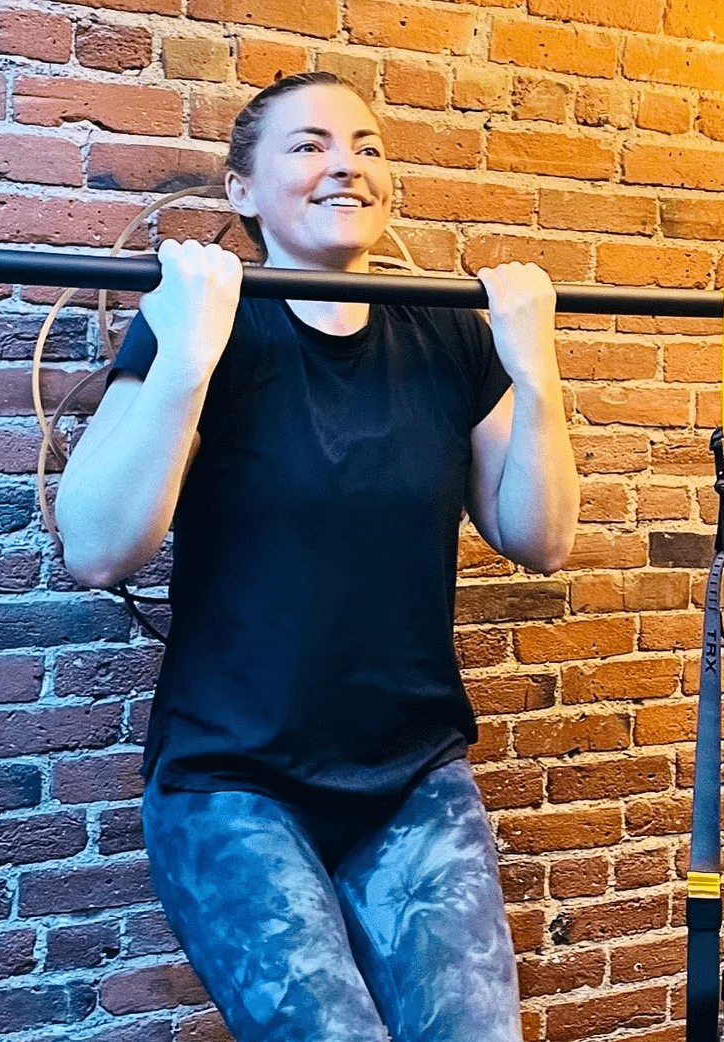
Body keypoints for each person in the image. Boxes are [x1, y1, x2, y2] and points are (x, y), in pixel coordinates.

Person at [55, 70, 580, 1042]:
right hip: (232, 785)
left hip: (411, 774)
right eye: (309, 144)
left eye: (368, 145)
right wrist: (185, 356)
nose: (347, 162)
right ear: (243, 191)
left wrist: (535, 372)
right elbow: (95, 547)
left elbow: (540, 537)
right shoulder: (202, 328)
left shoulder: (444, 335)